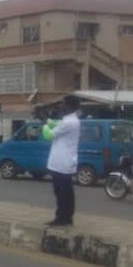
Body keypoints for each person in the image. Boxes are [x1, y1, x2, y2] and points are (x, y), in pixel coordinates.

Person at [42, 95, 81, 226]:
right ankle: (67, 217)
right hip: (63, 161)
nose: (62, 107)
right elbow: (56, 125)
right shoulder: (70, 120)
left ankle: (62, 218)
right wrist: (47, 120)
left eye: (64, 104)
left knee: (62, 192)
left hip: (62, 162)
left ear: (70, 106)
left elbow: (49, 135)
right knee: (65, 191)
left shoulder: (69, 122)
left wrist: (43, 123)